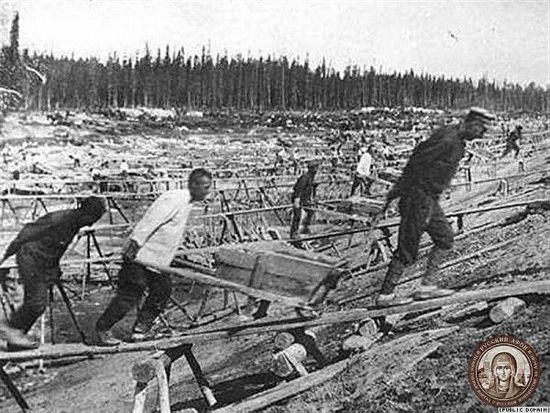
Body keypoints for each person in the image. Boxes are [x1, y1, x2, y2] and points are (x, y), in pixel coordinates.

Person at [377, 107, 494, 306]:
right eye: (481, 129)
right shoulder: (447, 139)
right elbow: (416, 161)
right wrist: (396, 192)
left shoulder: (457, 141)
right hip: (417, 198)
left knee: (445, 238)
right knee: (407, 249)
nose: (482, 134)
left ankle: (427, 287)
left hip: (430, 199)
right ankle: (385, 295)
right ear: (472, 123)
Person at [95, 168, 212, 345]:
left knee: (162, 290)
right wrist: (134, 243)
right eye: (206, 187)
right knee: (131, 293)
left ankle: (140, 330)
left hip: (156, 261)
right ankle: (103, 328)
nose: (208, 191)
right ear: (194, 185)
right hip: (139, 255)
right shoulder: (175, 198)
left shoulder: (188, 202)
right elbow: (150, 220)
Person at [0, 197, 105, 350]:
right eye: (92, 219)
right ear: (85, 213)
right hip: (30, 258)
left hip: (45, 262)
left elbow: (56, 247)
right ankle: (12, 334)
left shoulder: (75, 223)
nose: (90, 224)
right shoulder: (59, 218)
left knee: (37, 303)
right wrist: (6, 257)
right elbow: (26, 233)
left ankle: (14, 340)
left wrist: (54, 267)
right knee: (37, 303)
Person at [290, 159, 320, 239]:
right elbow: (298, 189)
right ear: (311, 169)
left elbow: (309, 189)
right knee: (297, 216)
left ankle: (305, 229)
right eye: (315, 168)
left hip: (305, 199)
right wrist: (297, 200)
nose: (316, 170)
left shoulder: (311, 177)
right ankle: (294, 233)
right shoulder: (305, 177)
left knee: (310, 212)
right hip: (298, 198)